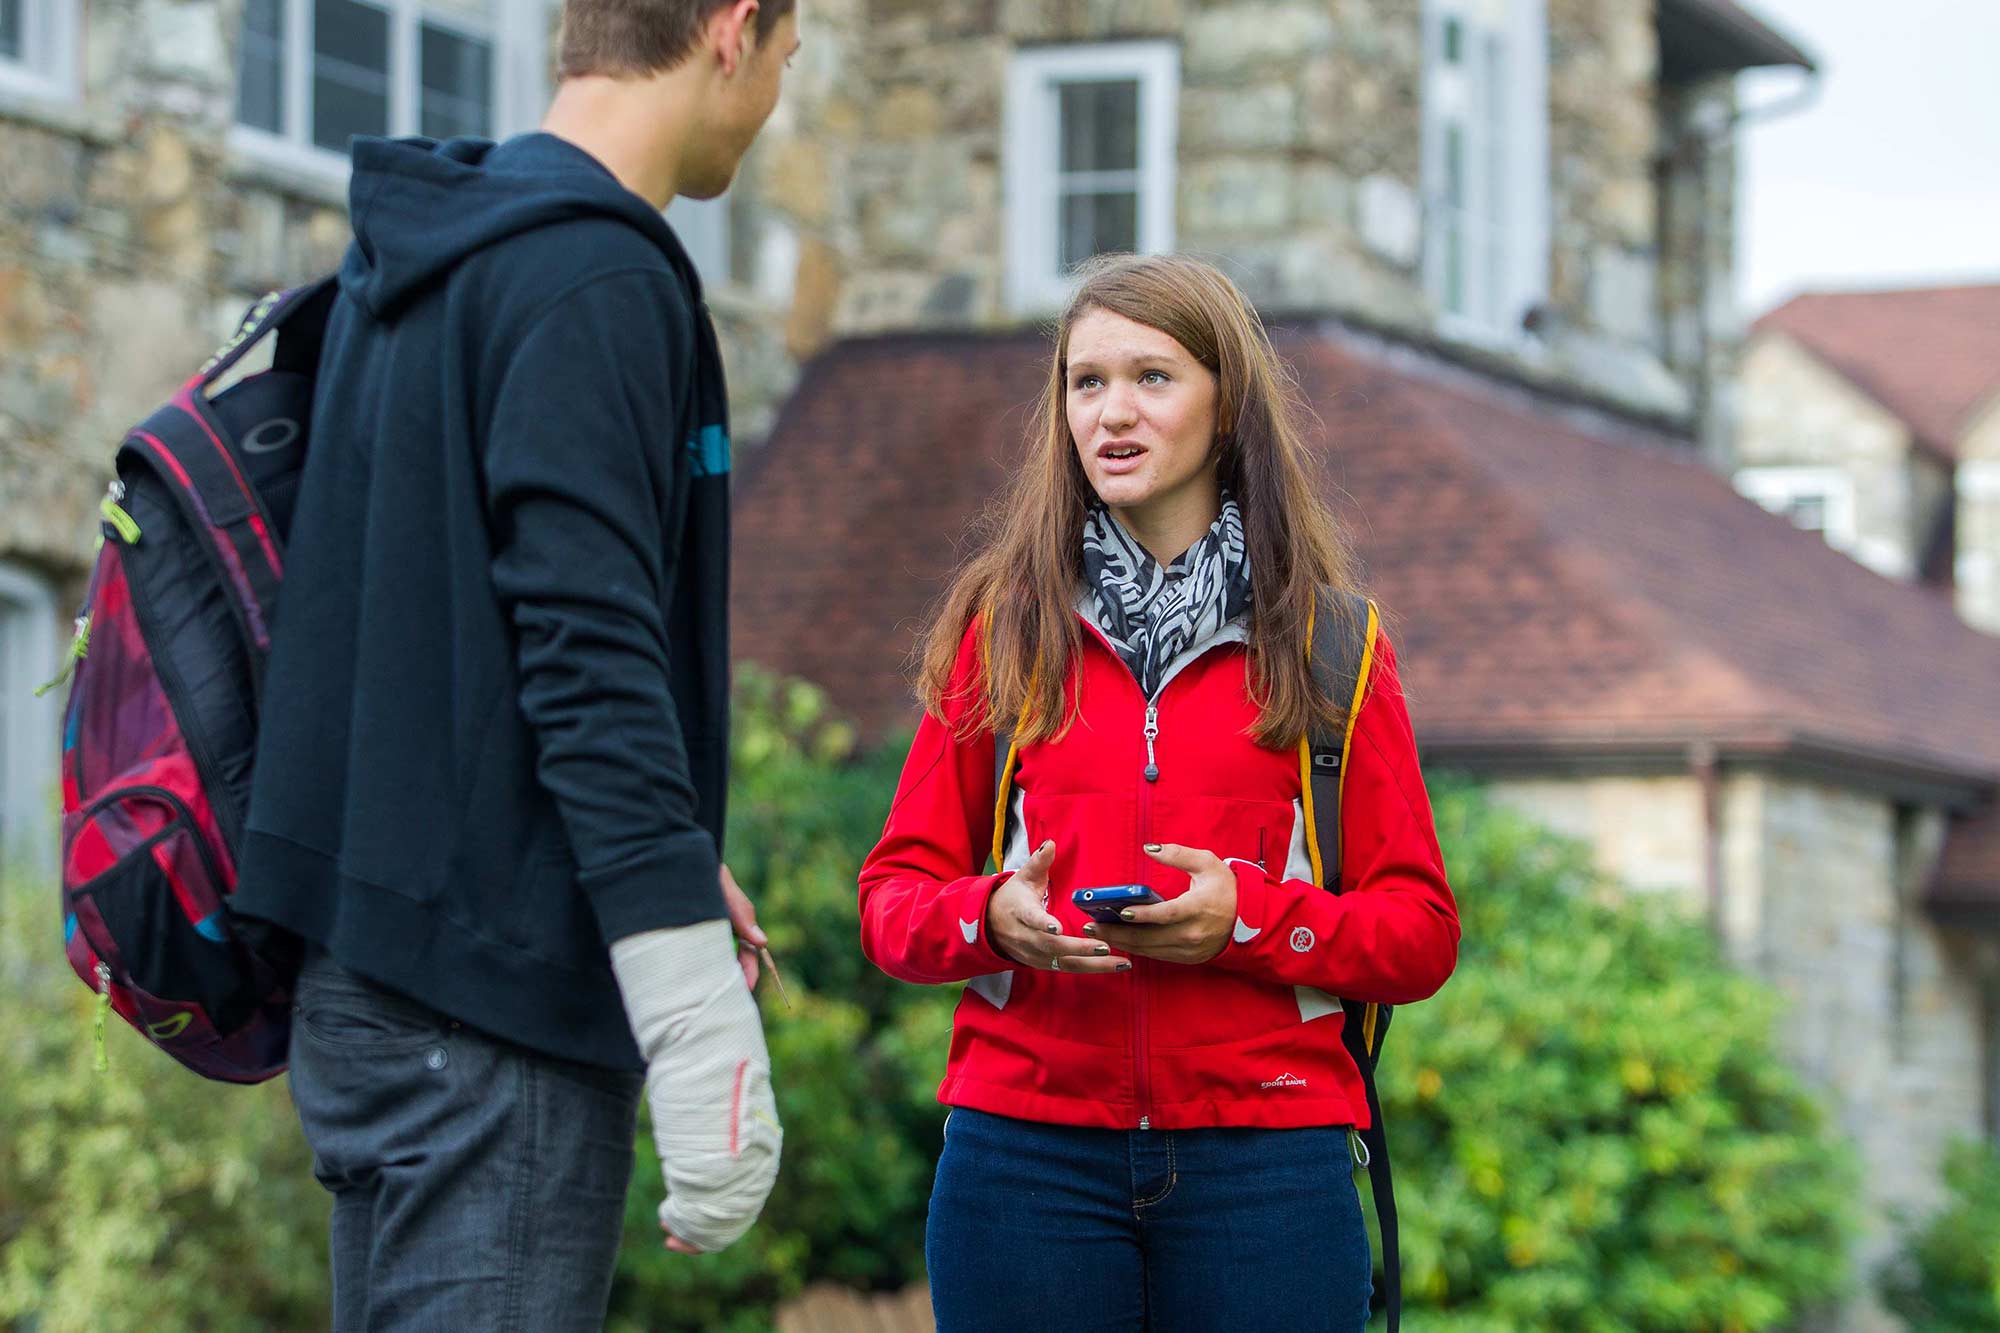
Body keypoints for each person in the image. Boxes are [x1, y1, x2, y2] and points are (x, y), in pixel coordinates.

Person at [230, 1, 799, 1326]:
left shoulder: (424, 258)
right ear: (731, 28)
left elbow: (446, 639)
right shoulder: (595, 278)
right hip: (489, 1016)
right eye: (785, 55)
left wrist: (655, 851)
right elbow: (584, 648)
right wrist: (694, 1007)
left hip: (372, 984)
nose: (774, 95)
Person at [857, 254, 1460, 1332]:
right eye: (1085, 383)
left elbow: (1415, 933)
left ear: (1225, 406)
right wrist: (987, 916)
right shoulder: (1005, 633)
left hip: (1267, 1169)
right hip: (1024, 1164)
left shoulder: (1331, 646)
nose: (1111, 412)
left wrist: (1252, 921)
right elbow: (892, 900)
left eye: (1151, 376)